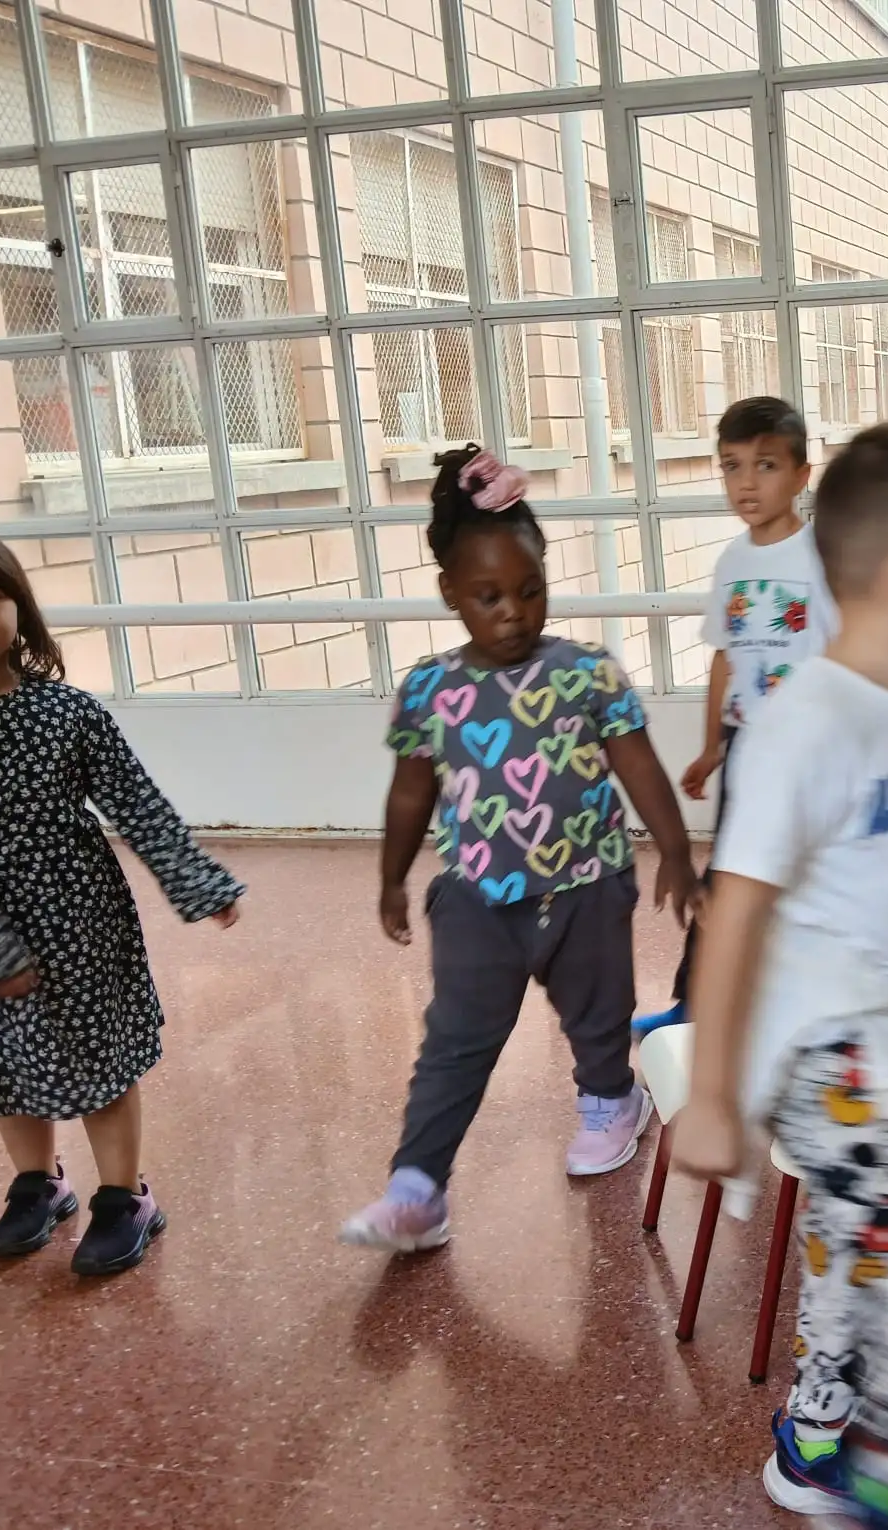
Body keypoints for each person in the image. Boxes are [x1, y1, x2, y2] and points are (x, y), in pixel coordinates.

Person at [670, 424, 888, 1529]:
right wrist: (713, 1097)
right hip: (818, 1048)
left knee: (851, 1243)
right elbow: (736, 912)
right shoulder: (805, 722)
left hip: (879, 1040)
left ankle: (817, 1436)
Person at [340, 448, 698, 1253]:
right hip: (476, 898)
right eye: (489, 596)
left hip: (587, 887)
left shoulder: (587, 673)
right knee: (454, 1042)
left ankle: (612, 1101)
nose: (513, 613)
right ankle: (417, 1188)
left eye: (530, 590)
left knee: (597, 1018)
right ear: (450, 593)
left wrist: (675, 851)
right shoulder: (430, 689)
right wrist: (392, 878)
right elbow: (410, 793)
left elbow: (637, 764)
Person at [0, 526, 243, 1276]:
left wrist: (197, 880)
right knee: (4, 1060)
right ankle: (38, 1185)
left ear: (19, 606)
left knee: (99, 1059)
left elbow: (138, 803)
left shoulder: (66, 712)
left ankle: (125, 1197)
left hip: (78, 922)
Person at [633, 396, 838, 1038]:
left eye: (766, 465)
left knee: (805, 882)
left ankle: (806, 1009)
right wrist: (711, 747)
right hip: (747, 748)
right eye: (732, 466)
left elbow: (845, 657)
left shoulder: (822, 559)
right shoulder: (732, 562)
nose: (747, 482)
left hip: (808, 754)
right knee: (726, 877)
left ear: (801, 475)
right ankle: (694, 1005)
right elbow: (726, 659)